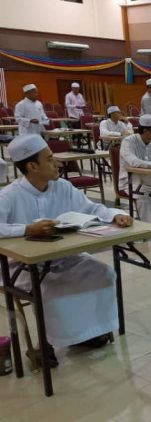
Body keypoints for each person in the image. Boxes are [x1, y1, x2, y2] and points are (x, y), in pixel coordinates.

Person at [0, 134, 134, 364]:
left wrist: (116, 215)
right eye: (50, 159)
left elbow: (91, 208)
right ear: (32, 167)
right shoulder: (9, 196)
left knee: (102, 273)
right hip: (21, 266)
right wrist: (27, 229)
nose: (58, 163)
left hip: (64, 258)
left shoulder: (62, 186)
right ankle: (46, 343)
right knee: (51, 289)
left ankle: (84, 333)